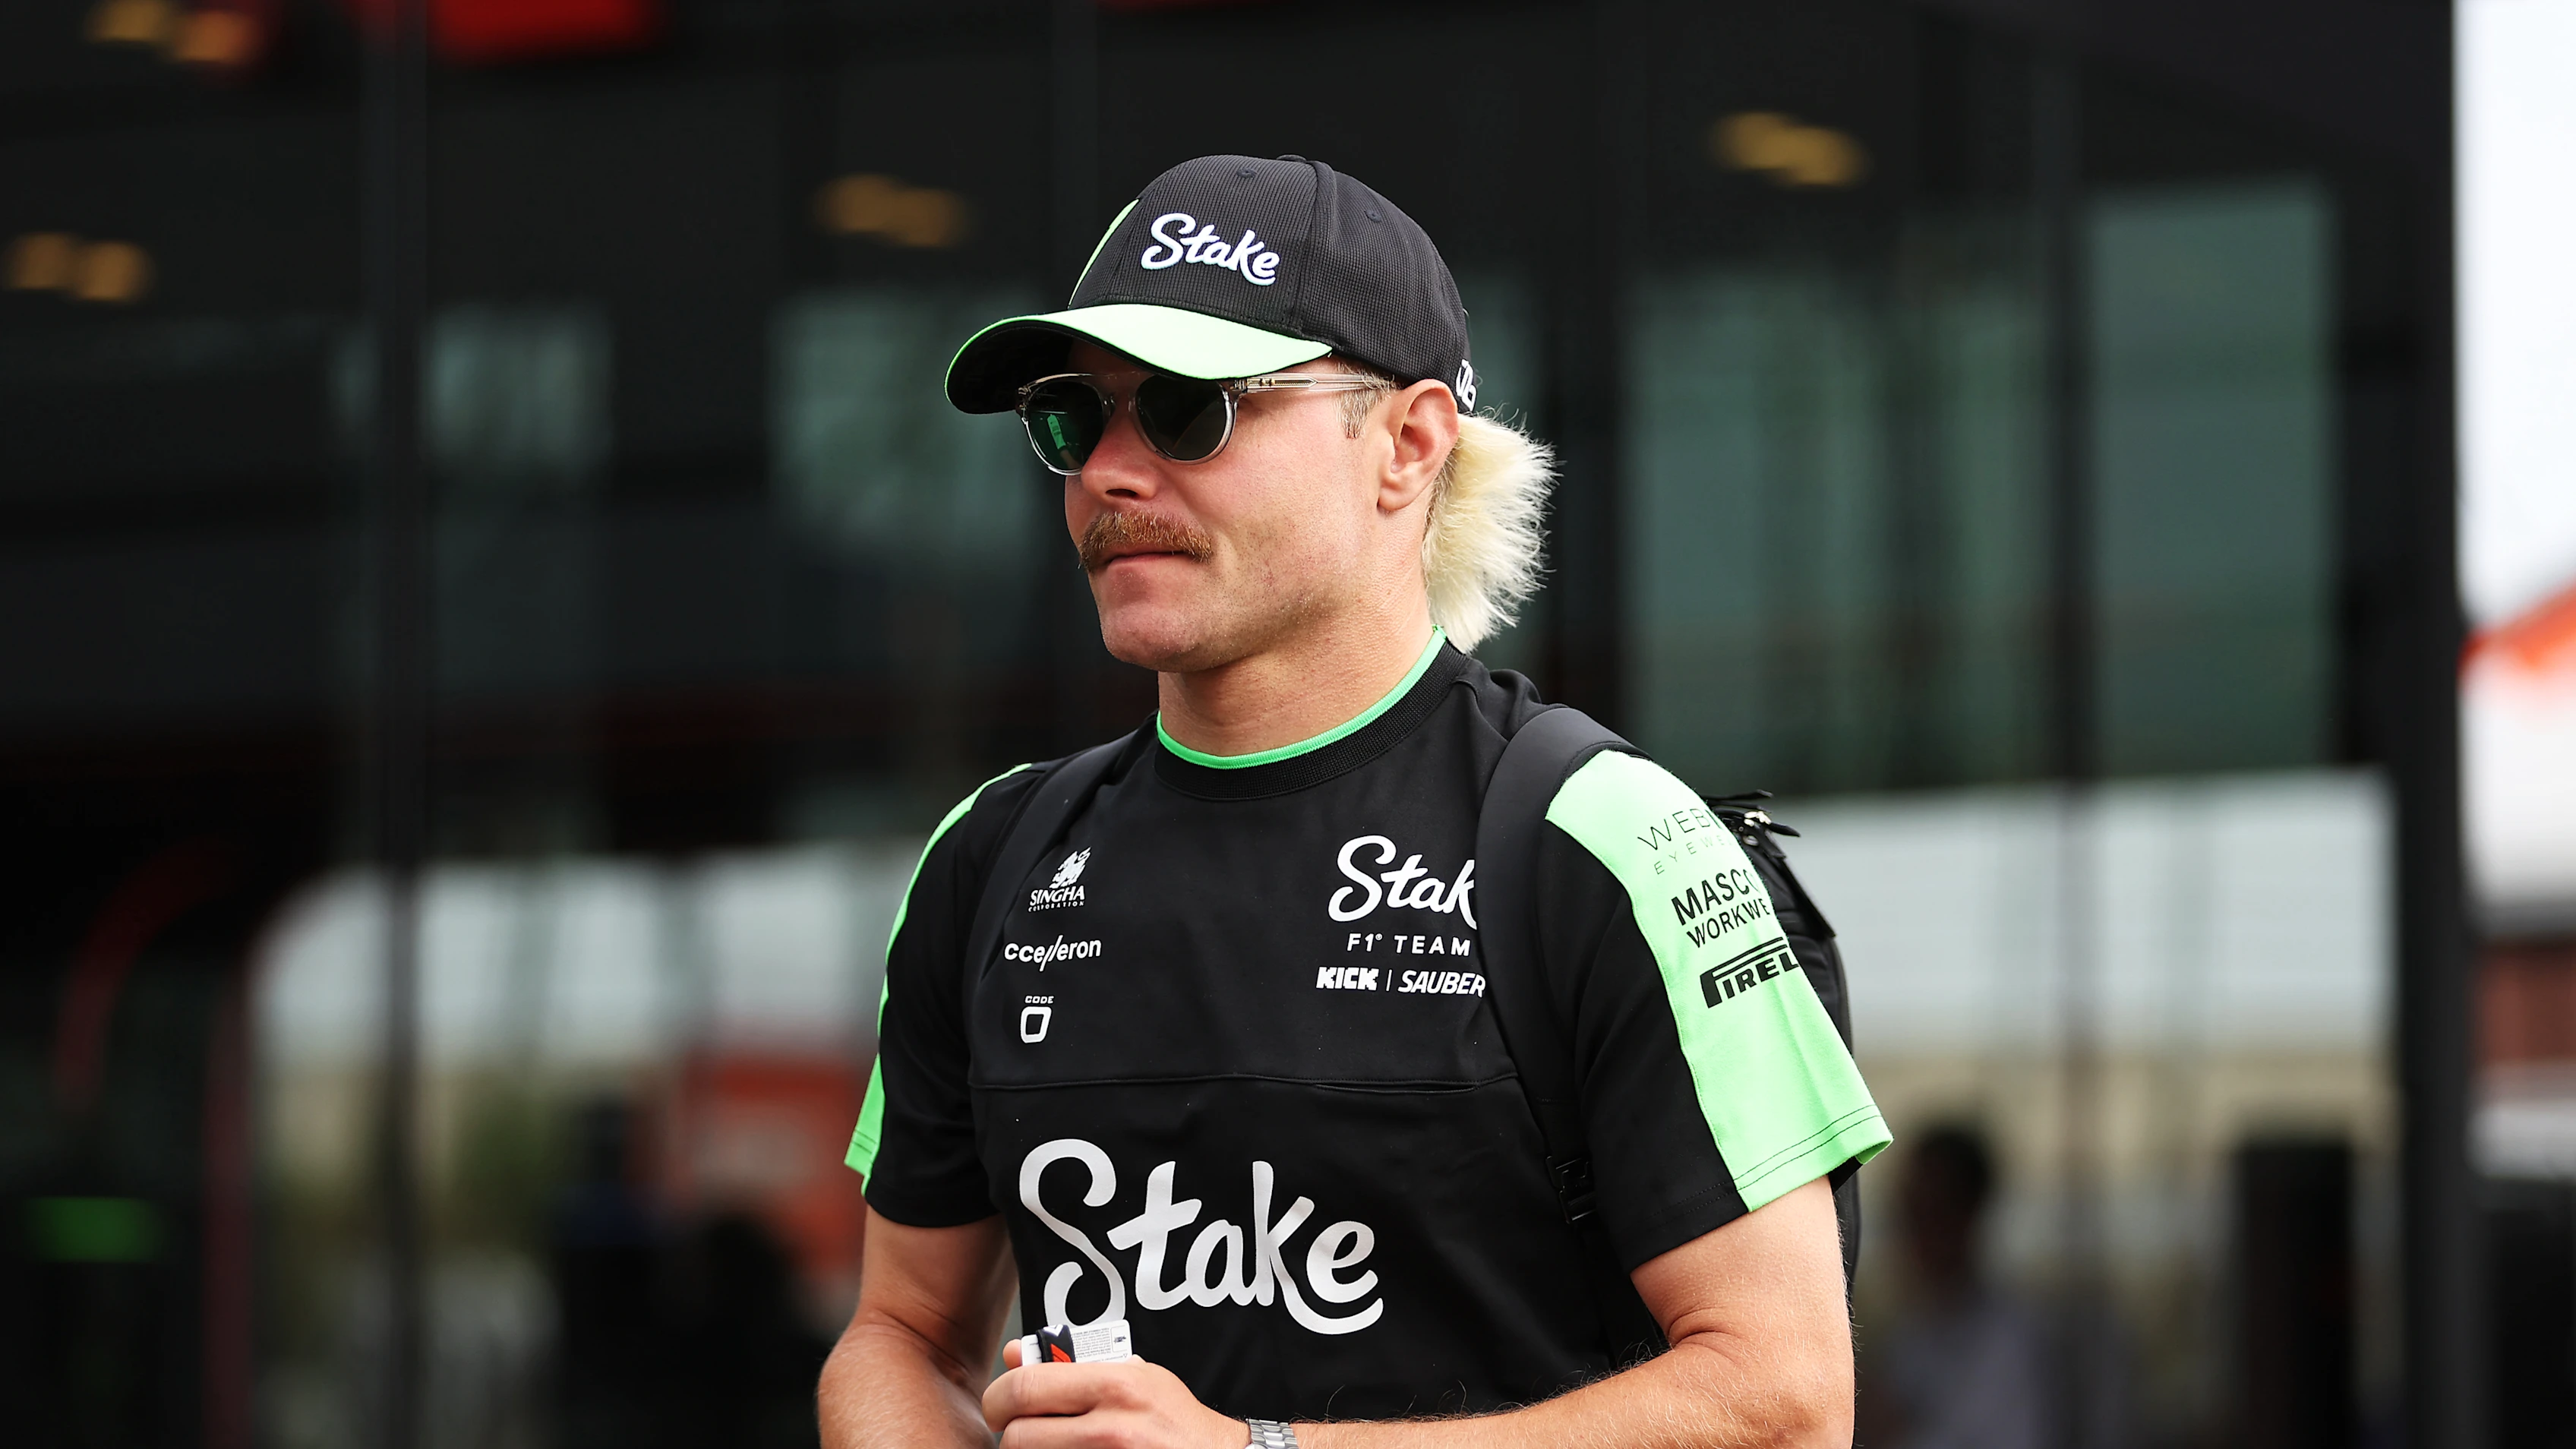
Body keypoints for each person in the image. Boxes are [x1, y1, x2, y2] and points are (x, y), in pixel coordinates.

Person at [815, 154, 1889, 1449]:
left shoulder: (1609, 844)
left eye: (1189, 410)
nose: (1109, 471)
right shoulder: (995, 856)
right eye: (1071, 418)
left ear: (1408, 445)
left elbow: (1785, 1401)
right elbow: (902, 1335)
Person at [1857, 1124, 2047, 1449]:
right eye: (1911, 1211)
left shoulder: (2006, 1343)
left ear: (1969, 1215)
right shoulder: (1910, 1332)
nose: (1917, 1231)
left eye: (1933, 1211)